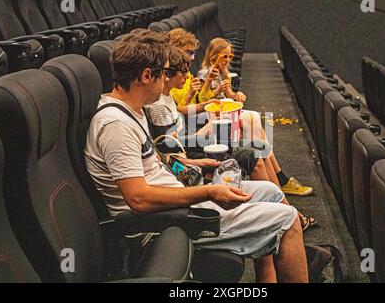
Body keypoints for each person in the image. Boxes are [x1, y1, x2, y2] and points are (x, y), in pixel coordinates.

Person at [84, 30, 308, 283]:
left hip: (177, 202)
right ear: (147, 75)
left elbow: (155, 163)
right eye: (165, 73)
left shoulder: (131, 112)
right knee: (287, 219)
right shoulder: (115, 124)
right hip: (163, 223)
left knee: (270, 191)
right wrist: (208, 192)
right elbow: (138, 199)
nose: (167, 79)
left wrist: (190, 163)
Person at [168, 29, 314, 197]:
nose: (193, 57)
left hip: (197, 116)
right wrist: (197, 96)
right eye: (189, 53)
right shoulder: (173, 78)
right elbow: (183, 108)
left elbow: (198, 100)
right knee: (247, 120)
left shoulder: (184, 74)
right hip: (191, 125)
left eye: (193, 53)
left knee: (252, 119)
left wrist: (221, 96)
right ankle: (273, 177)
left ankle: (274, 175)